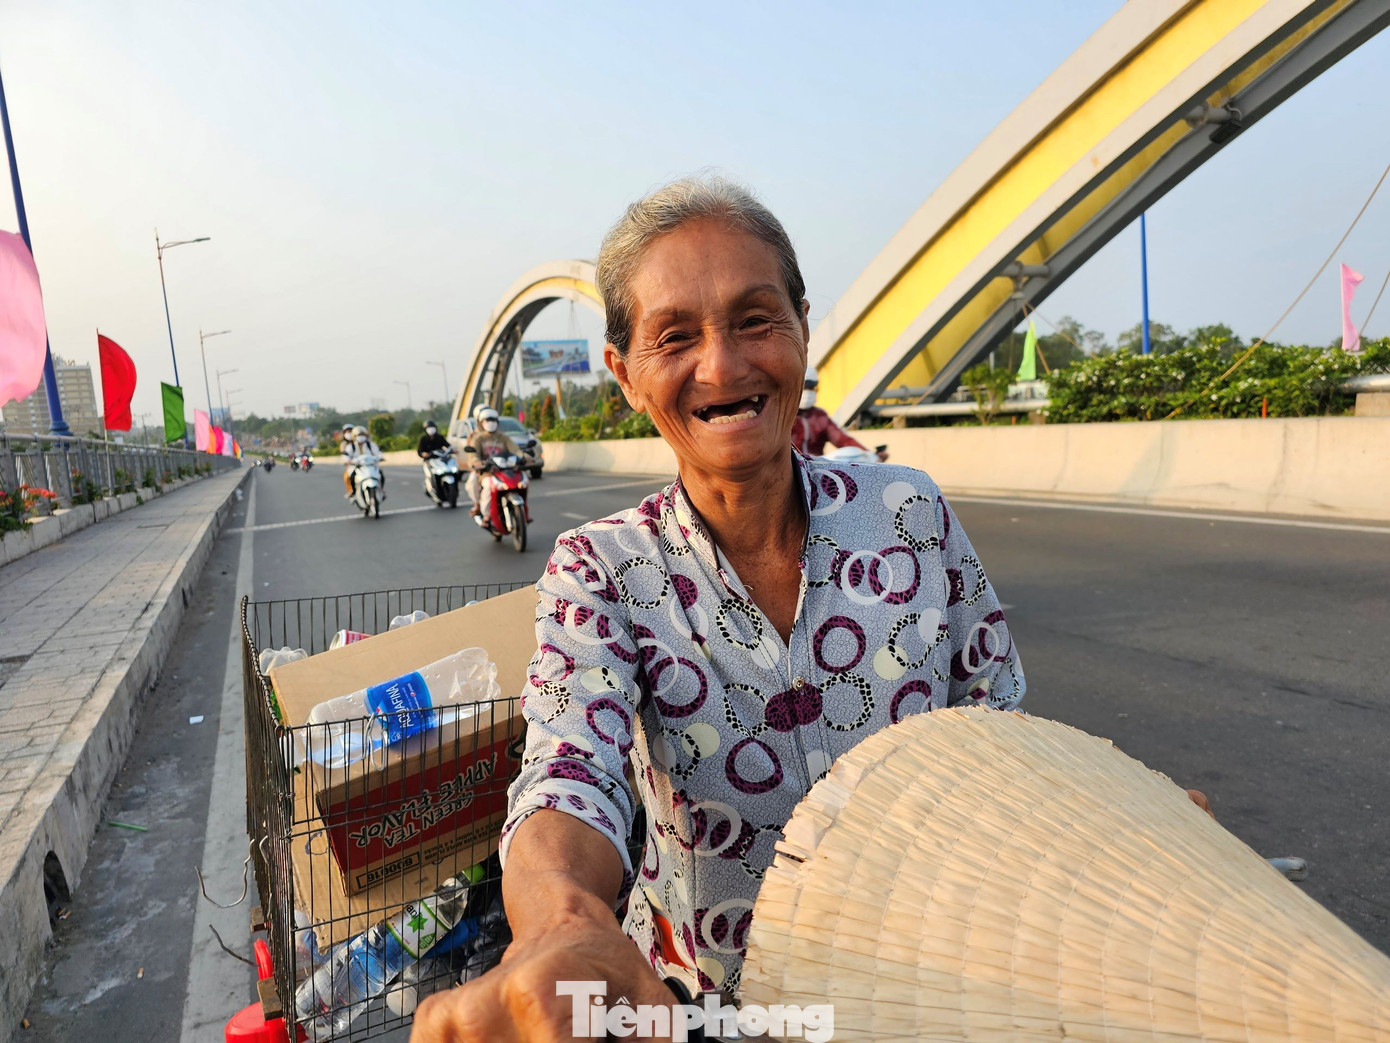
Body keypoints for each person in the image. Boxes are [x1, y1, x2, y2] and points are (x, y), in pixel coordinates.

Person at [411, 178, 1209, 1042]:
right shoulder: (602, 569)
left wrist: (1118, 821)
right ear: (626, 375)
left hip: (929, 998)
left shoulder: (909, 511)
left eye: (756, 319)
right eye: (674, 336)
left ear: (800, 327)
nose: (722, 366)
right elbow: (571, 770)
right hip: (705, 1009)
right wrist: (567, 924)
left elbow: (1001, 743)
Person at [791, 366, 886, 460]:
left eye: (811, 388)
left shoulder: (819, 416)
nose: (807, 392)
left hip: (816, 467)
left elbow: (843, 440)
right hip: (790, 467)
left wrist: (870, 455)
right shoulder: (784, 415)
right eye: (804, 387)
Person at [464, 407, 525, 519]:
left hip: (504, 470)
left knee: (523, 480)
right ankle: (484, 513)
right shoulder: (477, 438)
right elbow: (473, 456)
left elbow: (515, 449)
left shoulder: (503, 437)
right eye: (487, 420)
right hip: (486, 471)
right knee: (482, 485)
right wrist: (477, 463)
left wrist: (523, 457)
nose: (490, 423)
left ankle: (523, 511)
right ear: (481, 423)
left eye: (493, 420)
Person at [341, 425, 383, 500]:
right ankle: (353, 491)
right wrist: (348, 461)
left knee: (381, 474)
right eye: (359, 435)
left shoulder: (370, 445)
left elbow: (378, 452)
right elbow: (346, 455)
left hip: (370, 465)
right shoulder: (351, 446)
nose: (361, 437)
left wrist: (380, 457)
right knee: (350, 476)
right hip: (357, 466)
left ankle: (381, 489)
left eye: (362, 435)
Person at [339, 423, 356, 495]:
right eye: (347, 432)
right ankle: (350, 490)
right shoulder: (344, 444)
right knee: (346, 477)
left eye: (350, 431)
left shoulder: (358, 441)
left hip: (363, 462)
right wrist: (347, 461)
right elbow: (344, 454)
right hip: (351, 464)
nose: (349, 433)